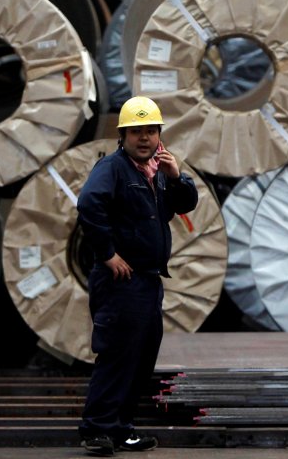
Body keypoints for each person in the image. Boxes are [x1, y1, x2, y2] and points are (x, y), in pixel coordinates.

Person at [77, 96, 199, 456]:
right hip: (120, 283)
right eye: (136, 132)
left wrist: (178, 177)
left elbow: (186, 204)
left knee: (141, 357)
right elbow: (88, 204)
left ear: (159, 135)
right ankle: (97, 430)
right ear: (123, 136)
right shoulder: (113, 168)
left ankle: (121, 429)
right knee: (116, 354)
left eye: (150, 131)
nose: (144, 138)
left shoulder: (158, 171)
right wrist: (108, 254)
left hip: (147, 280)